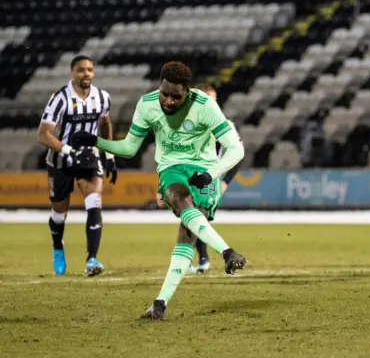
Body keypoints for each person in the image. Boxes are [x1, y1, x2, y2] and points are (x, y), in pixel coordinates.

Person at [70, 62, 246, 320]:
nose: (169, 100)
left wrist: (212, 174)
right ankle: (227, 252)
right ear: (160, 85)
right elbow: (130, 148)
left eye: (176, 96)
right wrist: (96, 142)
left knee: (187, 236)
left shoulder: (205, 106)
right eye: (165, 93)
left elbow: (236, 149)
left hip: (204, 171)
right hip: (171, 168)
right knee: (179, 197)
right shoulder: (147, 104)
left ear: (187, 91)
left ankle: (160, 304)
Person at [36, 55, 117, 277]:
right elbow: (43, 135)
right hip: (61, 158)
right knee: (59, 212)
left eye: (90, 69)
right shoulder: (60, 98)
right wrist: (68, 150)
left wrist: (109, 154)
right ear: (72, 73)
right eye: (81, 70)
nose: (86, 74)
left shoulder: (102, 97)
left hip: (88, 158)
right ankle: (58, 246)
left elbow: (105, 123)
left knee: (94, 199)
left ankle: (91, 259)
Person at [155, 83, 244, 274]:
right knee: (193, 215)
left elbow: (236, 153)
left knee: (197, 215)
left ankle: (199, 258)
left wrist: (225, 179)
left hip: (209, 178)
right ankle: (199, 258)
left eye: (213, 100)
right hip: (185, 174)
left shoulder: (224, 125)